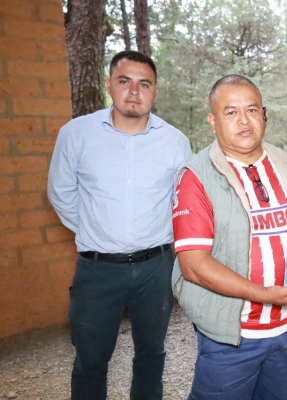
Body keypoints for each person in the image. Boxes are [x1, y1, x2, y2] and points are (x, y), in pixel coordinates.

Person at [47, 50, 192, 400]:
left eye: (144, 84)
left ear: (154, 92)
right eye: (124, 81)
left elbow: (183, 201)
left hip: (156, 269)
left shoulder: (174, 142)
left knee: (152, 354)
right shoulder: (77, 134)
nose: (133, 91)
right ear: (110, 84)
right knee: (90, 360)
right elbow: (61, 193)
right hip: (97, 271)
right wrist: (98, 231)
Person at [171, 74, 287, 400]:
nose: (244, 121)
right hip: (232, 336)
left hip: (286, 328)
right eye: (231, 112)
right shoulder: (196, 177)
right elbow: (193, 265)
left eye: (252, 110)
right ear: (213, 121)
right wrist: (265, 294)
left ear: (264, 115)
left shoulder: (286, 163)